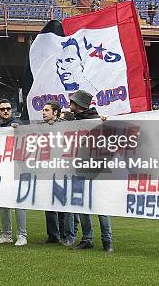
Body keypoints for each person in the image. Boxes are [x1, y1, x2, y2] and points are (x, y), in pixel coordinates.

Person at [69, 90, 113, 253]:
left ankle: (107, 240)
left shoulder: (97, 121)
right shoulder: (70, 121)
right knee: (82, 205)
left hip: (97, 169)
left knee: (100, 205)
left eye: (72, 102)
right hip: (79, 168)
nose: (69, 104)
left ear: (79, 104)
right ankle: (87, 239)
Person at [40, 102, 79, 246]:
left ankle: (68, 236)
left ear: (55, 112)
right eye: (43, 110)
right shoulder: (40, 127)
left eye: (46, 110)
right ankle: (53, 235)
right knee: (49, 205)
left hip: (64, 170)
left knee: (65, 205)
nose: (43, 112)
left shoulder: (66, 126)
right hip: (48, 171)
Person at [0, 99, 27, 246]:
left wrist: (20, 129)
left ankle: (22, 235)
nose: (5, 111)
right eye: (2, 109)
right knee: (3, 202)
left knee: (19, 202)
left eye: (8, 108)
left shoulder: (19, 124)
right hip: (2, 169)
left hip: (17, 168)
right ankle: (6, 234)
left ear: (11, 110)